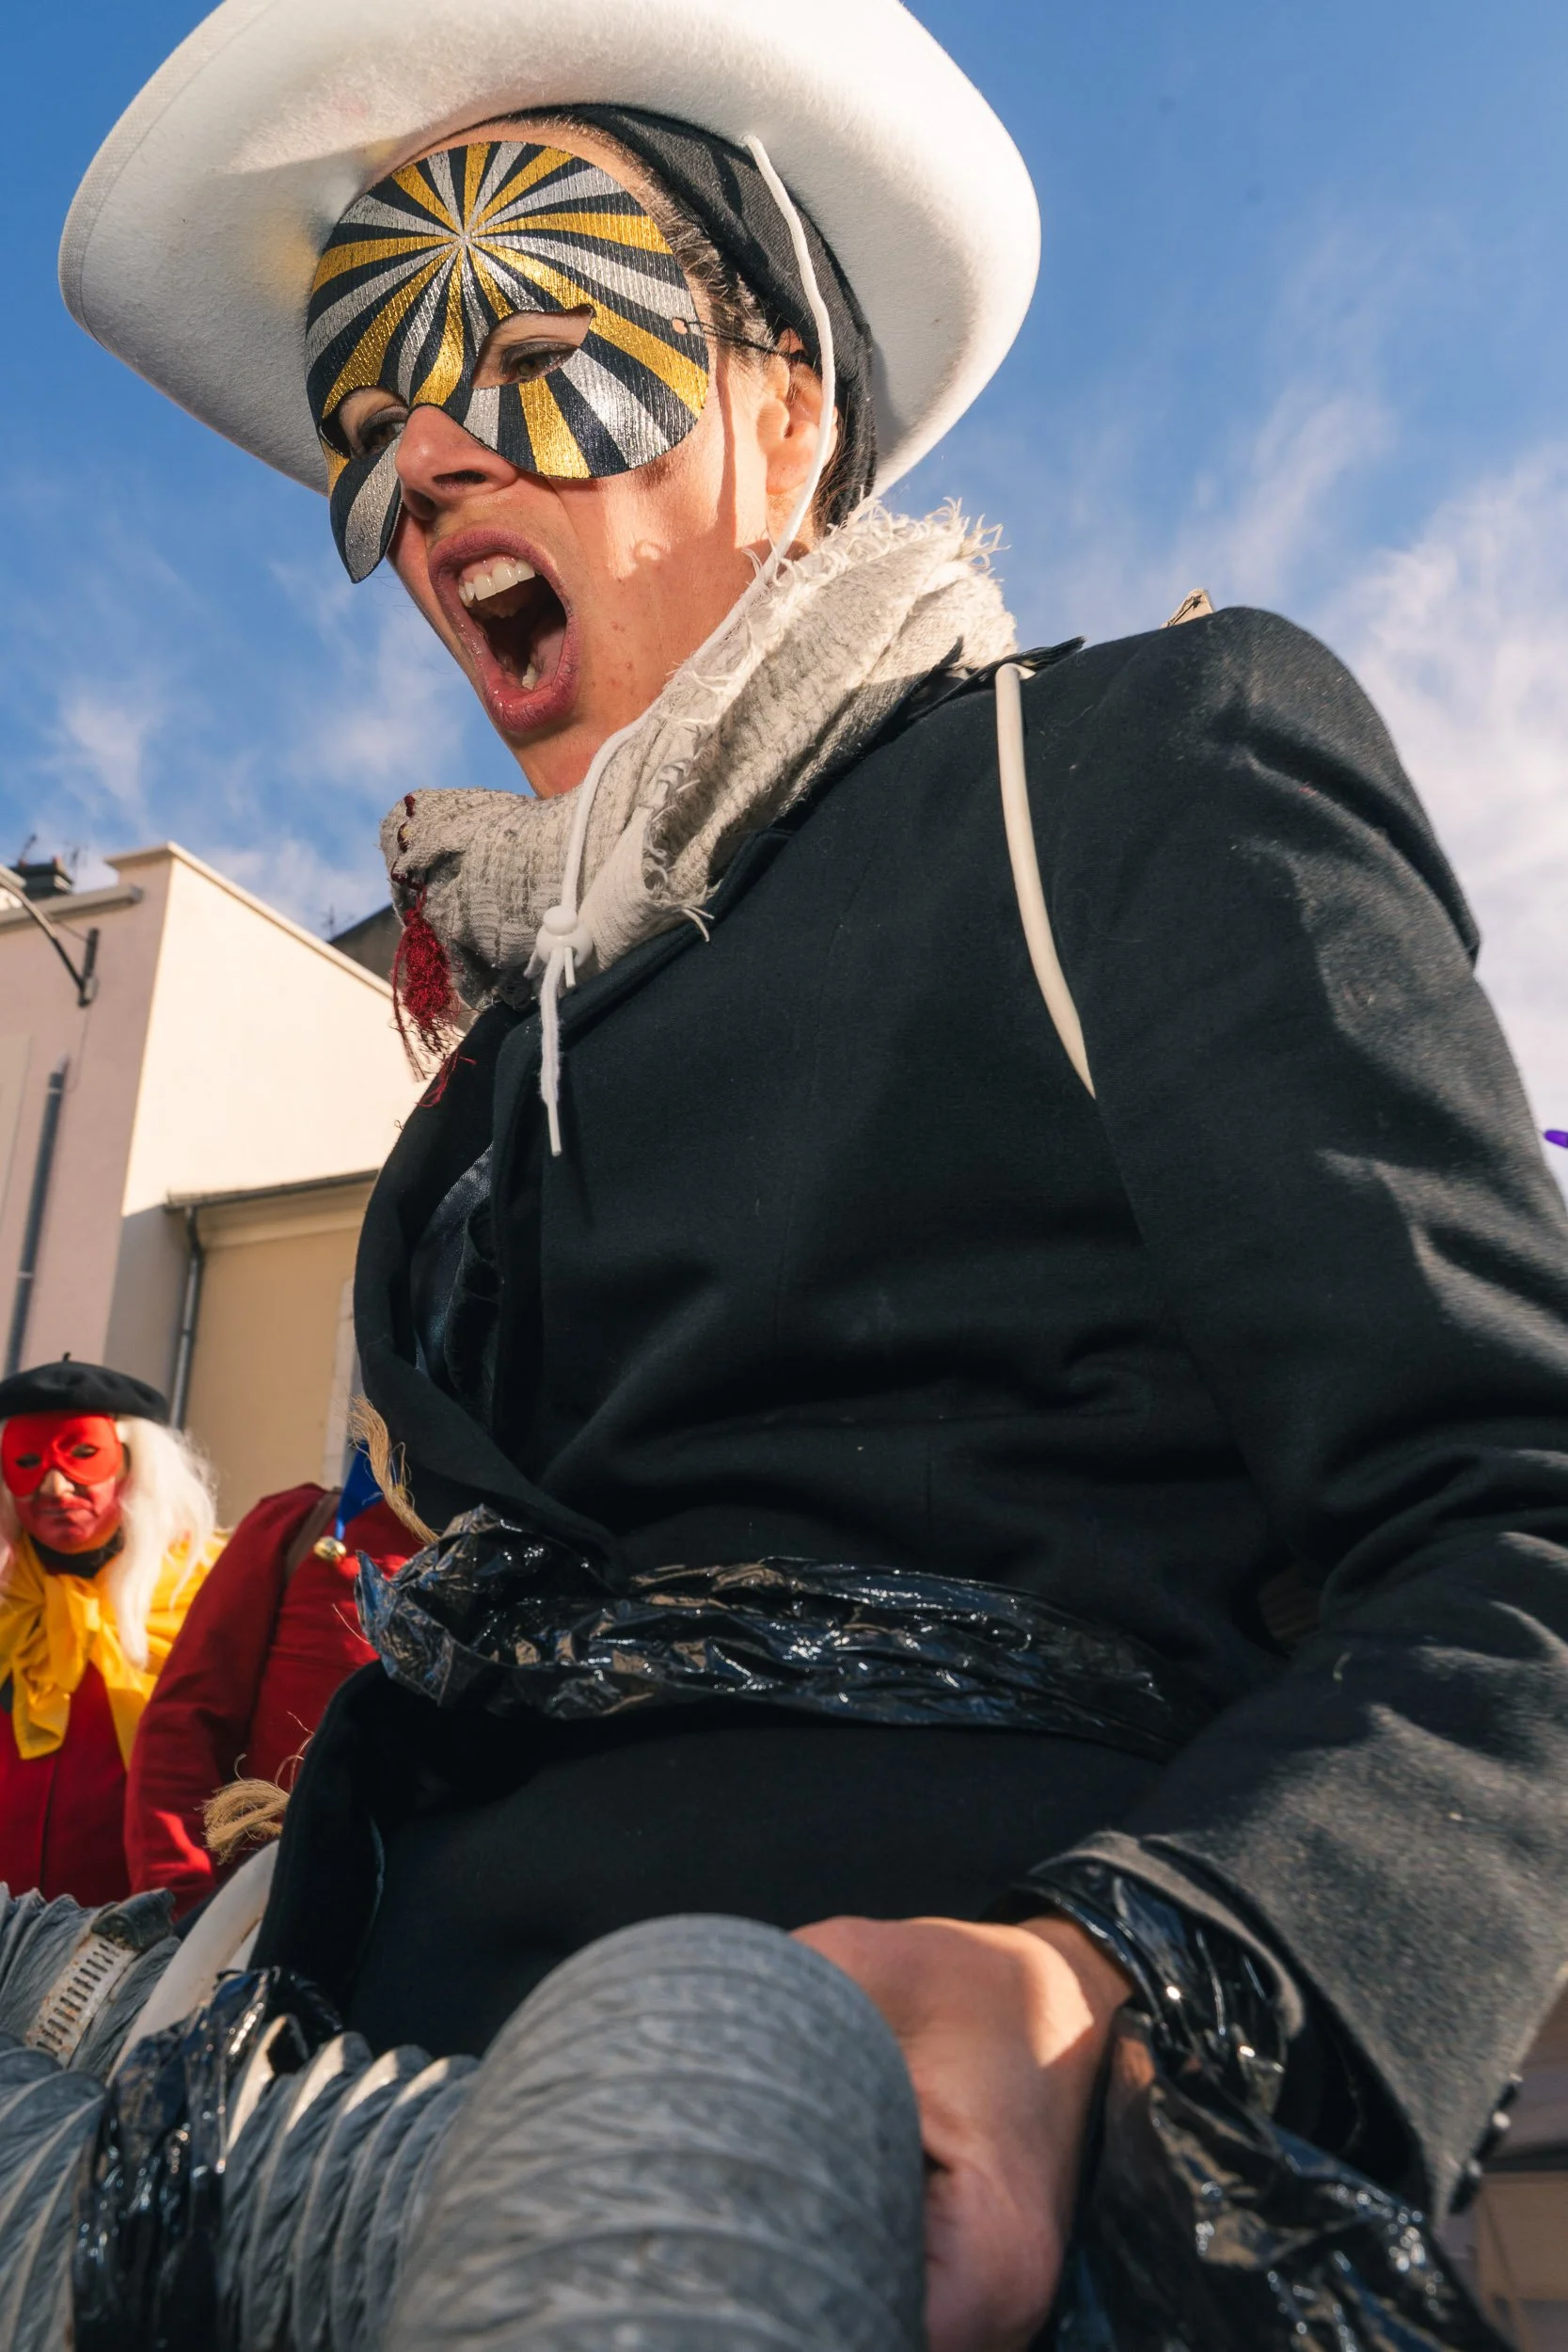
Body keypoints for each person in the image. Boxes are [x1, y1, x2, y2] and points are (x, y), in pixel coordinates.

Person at [57, 2, 1568, 2344]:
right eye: (371, 422)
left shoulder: (1119, 779)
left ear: (788, 397)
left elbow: (1515, 1513)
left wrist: (1113, 1983)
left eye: (525, 343)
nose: (425, 464)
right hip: (306, 2149)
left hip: (857, 2190)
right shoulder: (495, 1075)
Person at [123, 1446, 416, 1914]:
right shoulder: (298, 1530)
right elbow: (181, 1732)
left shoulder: (535, 1573)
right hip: (258, 1922)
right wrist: (184, 1914)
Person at [0, 1358, 218, 1907]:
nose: (55, 1486)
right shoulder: (6, 1602)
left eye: (82, 1455)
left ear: (135, 1466)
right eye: (27, 1462)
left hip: (145, 1924)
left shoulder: (214, 1593)